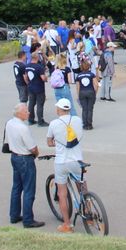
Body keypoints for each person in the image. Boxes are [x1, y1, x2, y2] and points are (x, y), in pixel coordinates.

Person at [46, 98, 84, 233]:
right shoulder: (78, 120)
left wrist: (57, 143)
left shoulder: (54, 124)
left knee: (62, 194)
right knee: (83, 189)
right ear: (69, 109)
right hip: (77, 161)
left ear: (58, 110)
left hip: (62, 162)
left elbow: (49, 142)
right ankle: (89, 214)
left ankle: (67, 224)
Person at [5, 103, 45, 228]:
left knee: (17, 187)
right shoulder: (23, 128)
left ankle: (14, 215)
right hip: (25, 158)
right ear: (19, 113)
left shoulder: (10, 123)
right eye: (26, 111)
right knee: (29, 189)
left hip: (15, 156)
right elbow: (32, 147)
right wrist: (37, 153)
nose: (28, 113)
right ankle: (28, 219)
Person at [25, 50, 48, 127]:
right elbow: (43, 78)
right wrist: (46, 78)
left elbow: (25, 77)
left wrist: (28, 83)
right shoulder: (39, 67)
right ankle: (40, 121)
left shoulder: (27, 66)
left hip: (31, 87)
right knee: (40, 104)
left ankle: (30, 119)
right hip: (39, 88)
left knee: (31, 104)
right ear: (37, 58)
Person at [75, 60, 98, 131]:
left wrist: (78, 95)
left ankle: (85, 124)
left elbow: (77, 87)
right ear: (88, 67)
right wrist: (95, 93)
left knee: (84, 109)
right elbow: (96, 84)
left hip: (82, 92)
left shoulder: (79, 76)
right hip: (91, 91)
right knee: (90, 109)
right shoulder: (91, 74)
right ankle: (90, 124)